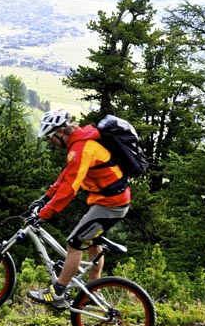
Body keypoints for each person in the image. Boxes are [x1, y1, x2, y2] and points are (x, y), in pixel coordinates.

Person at [26, 109, 131, 309]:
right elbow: (66, 176)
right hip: (111, 200)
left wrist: (44, 214)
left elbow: (69, 190)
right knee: (92, 244)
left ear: (60, 132)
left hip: (110, 204)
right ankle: (92, 292)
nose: (51, 143)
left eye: (51, 138)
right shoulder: (80, 143)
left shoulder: (81, 149)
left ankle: (58, 291)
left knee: (75, 244)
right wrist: (45, 198)